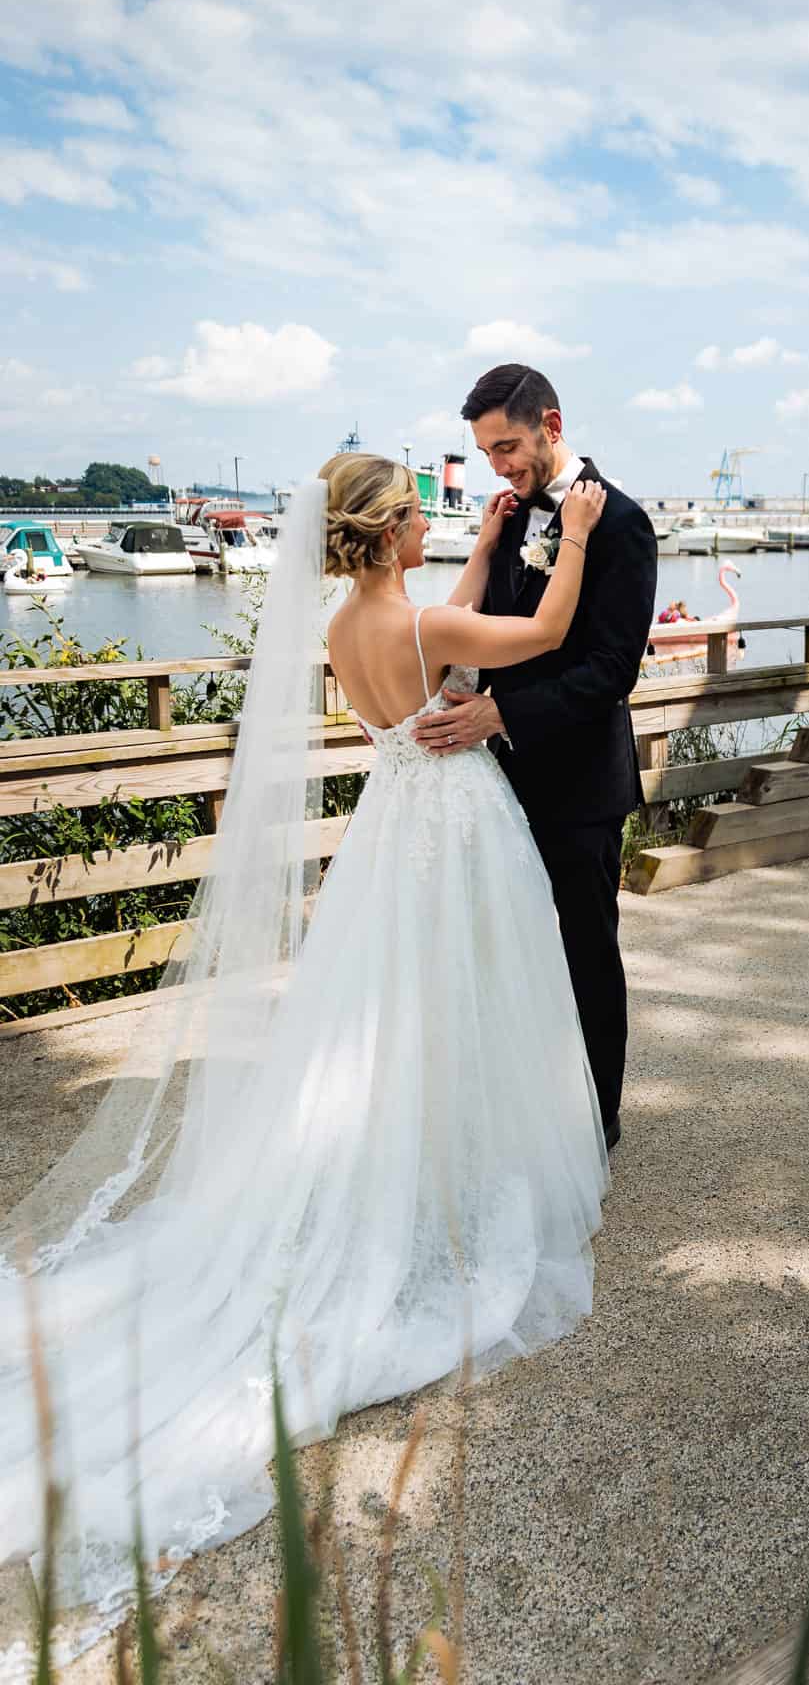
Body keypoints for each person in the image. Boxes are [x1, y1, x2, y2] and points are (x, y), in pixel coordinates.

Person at [0, 453, 609, 1658]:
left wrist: (480, 546)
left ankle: (408, 1154)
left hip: (394, 822)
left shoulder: (344, 621)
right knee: (467, 994)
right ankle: (443, 1178)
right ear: (389, 536)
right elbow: (538, 628)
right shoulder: (428, 615)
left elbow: (429, 642)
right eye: (419, 519)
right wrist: (575, 530)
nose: (435, 530)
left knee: (389, 1005)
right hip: (462, 819)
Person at [414, 365, 658, 1151]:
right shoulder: (512, 516)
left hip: (582, 783)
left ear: (551, 425)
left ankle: (597, 1118)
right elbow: (483, 626)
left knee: (587, 949)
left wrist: (501, 712)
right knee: (502, 944)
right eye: (486, 452)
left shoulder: (620, 522)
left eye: (508, 446)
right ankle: (518, 1104)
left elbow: (610, 668)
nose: (499, 467)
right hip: (496, 780)